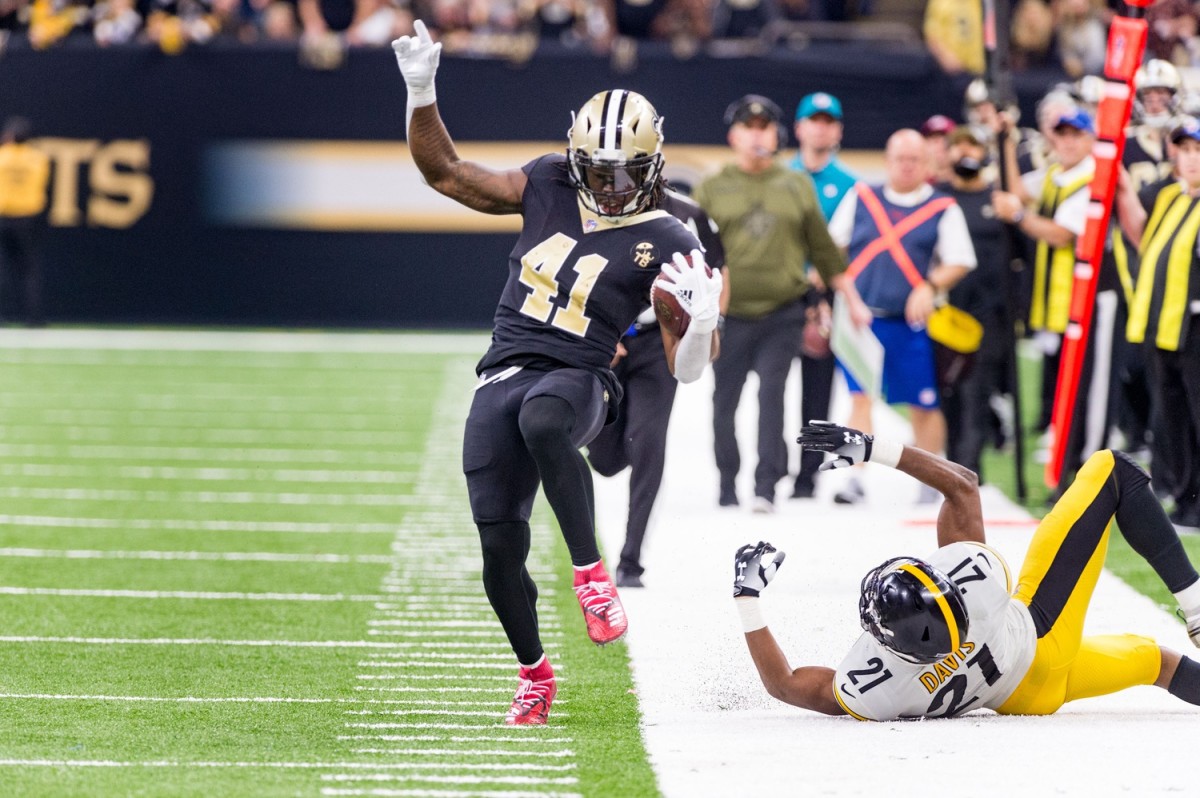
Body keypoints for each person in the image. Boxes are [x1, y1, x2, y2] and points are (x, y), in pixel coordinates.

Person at [392, 21, 722, 726]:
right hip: (504, 367)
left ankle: (591, 574)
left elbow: (686, 371)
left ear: (653, 166)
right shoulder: (545, 180)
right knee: (499, 550)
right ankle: (535, 674)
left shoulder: (670, 237)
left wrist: (701, 323)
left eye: (623, 174)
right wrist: (422, 92)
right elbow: (447, 173)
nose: (608, 187)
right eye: (596, 173)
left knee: (544, 419)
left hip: (582, 376)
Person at [730, 420, 1200, 721]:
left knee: (1156, 663)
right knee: (1111, 469)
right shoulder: (976, 580)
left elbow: (784, 684)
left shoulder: (876, 690)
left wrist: (747, 596)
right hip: (1038, 636)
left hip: (1025, 701)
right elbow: (962, 486)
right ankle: (1196, 605)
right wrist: (875, 449)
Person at [694, 94, 869, 513]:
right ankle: (727, 479)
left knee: (773, 394)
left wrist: (851, 297)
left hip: (783, 309)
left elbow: (824, 250)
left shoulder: (795, 184)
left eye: (765, 127)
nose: (757, 135)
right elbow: (693, 252)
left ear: (776, 134)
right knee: (725, 400)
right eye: (749, 127)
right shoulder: (711, 187)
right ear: (734, 135)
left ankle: (766, 484)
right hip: (729, 314)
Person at [825, 128, 976, 505]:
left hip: (911, 325)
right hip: (863, 318)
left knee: (923, 403)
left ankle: (930, 478)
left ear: (926, 164)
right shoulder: (862, 197)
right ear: (888, 161)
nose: (907, 166)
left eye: (915, 159)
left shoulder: (942, 207)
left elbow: (960, 259)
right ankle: (853, 479)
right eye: (900, 159)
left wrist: (929, 285)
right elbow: (832, 250)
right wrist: (847, 296)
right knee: (859, 398)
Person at [587, 187, 727, 587]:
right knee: (606, 459)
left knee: (649, 442)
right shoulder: (595, 207)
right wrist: (597, 328)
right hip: (605, 334)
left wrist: (708, 328)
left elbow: (717, 275)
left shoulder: (689, 217)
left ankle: (630, 560)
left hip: (657, 338)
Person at [1115, 119, 1200, 531]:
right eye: (1184, 151)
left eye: (1197, 151)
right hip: (1163, 324)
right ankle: (1187, 500)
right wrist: (1122, 188)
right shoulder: (1170, 196)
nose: (1191, 160)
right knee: (1173, 416)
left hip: (1194, 325)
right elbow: (1142, 239)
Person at [788, 91, 857, 500]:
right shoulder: (780, 177)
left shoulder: (850, 185)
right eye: (813, 120)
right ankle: (769, 466)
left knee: (817, 387)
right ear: (799, 127)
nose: (821, 127)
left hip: (824, 296)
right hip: (782, 292)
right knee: (772, 385)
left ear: (838, 131)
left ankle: (807, 473)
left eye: (829, 121)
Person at [936, 127, 1010, 479]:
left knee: (976, 391)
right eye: (958, 146)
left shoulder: (998, 200)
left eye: (973, 146)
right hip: (945, 312)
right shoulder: (938, 198)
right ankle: (947, 461)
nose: (965, 153)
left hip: (987, 313)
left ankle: (968, 467)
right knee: (945, 392)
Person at [0, 116, 51, 327]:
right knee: (29, 270)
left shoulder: (2, 157)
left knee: (2, 269)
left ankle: (3, 315)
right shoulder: (38, 159)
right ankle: (33, 318)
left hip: (3, 216)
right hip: (27, 219)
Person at [920, 114, 957, 184]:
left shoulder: (968, 179)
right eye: (934, 140)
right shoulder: (916, 182)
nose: (940, 145)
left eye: (946, 139)